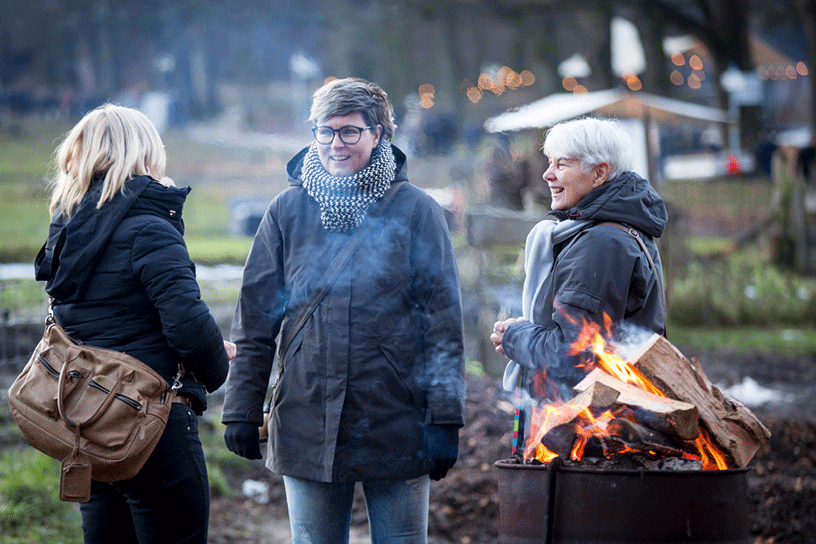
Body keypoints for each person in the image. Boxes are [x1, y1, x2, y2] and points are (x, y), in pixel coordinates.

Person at [222, 77, 466, 544]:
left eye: (349, 131)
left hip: (397, 419)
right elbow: (255, 319)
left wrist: (444, 419)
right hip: (306, 415)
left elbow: (442, 324)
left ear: (378, 134)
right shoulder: (286, 211)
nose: (336, 143)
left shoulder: (417, 212)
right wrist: (241, 408)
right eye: (325, 130)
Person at [34, 103, 233, 544]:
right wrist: (216, 366)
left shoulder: (64, 231)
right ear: (144, 153)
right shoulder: (150, 229)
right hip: (152, 424)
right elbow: (187, 325)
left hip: (89, 425)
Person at [490, 117, 667, 399]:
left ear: (599, 174)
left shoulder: (601, 244)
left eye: (561, 165)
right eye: (549, 163)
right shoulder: (617, 231)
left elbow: (570, 354)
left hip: (593, 428)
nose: (548, 175)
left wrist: (516, 337)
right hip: (612, 416)